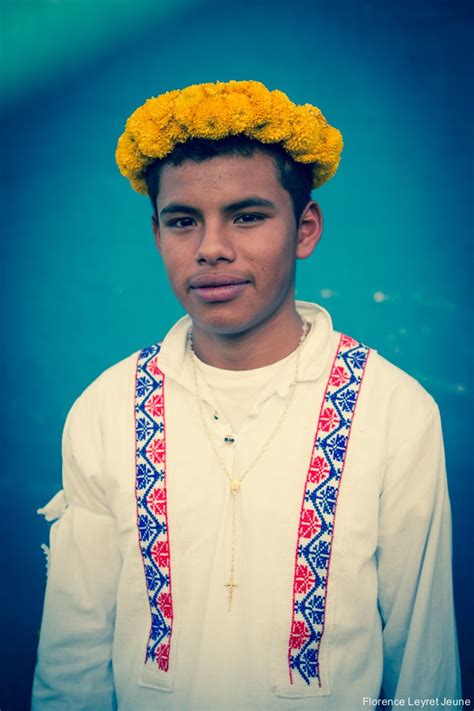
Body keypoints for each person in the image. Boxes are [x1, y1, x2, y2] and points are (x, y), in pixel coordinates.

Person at [32, 80, 461, 710]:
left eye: (248, 216)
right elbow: (72, 661)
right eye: (184, 221)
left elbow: (426, 664)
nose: (211, 248)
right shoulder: (107, 409)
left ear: (305, 228)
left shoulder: (392, 410)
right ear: (157, 235)